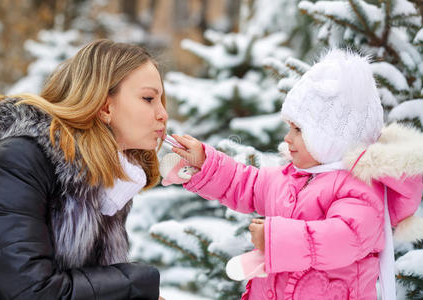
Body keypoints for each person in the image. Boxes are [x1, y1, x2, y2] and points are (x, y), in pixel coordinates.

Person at [170, 49, 423, 299]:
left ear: (332, 138)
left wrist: (274, 240)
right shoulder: (292, 177)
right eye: (289, 127)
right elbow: (245, 183)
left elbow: (343, 239)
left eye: (298, 129)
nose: (287, 138)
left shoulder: (361, 190)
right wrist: (205, 163)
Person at [0, 40, 168, 299]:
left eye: (161, 101)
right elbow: (30, 292)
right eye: (148, 99)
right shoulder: (21, 160)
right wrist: (137, 285)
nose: (163, 114)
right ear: (105, 106)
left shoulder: (107, 177)